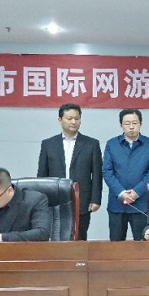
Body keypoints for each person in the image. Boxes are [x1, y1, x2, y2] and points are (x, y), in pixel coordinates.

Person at [37, 103, 102, 240]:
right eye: (69, 118)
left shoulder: (91, 144)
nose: (74, 122)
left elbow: (97, 174)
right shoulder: (48, 144)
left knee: (80, 235)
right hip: (55, 198)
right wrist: (41, 200)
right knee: (56, 236)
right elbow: (42, 175)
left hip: (82, 198)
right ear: (60, 120)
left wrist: (95, 199)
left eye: (77, 118)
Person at [102, 109, 149, 241]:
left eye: (135, 123)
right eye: (127, 123)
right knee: (116, 246)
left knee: (142, 245)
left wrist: (136, 192)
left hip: (141, 204)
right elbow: (107, 171)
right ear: (121, 125)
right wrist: (121, 192)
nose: (131, 127)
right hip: (117, 204)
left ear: (141, 124)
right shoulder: (112, 144)